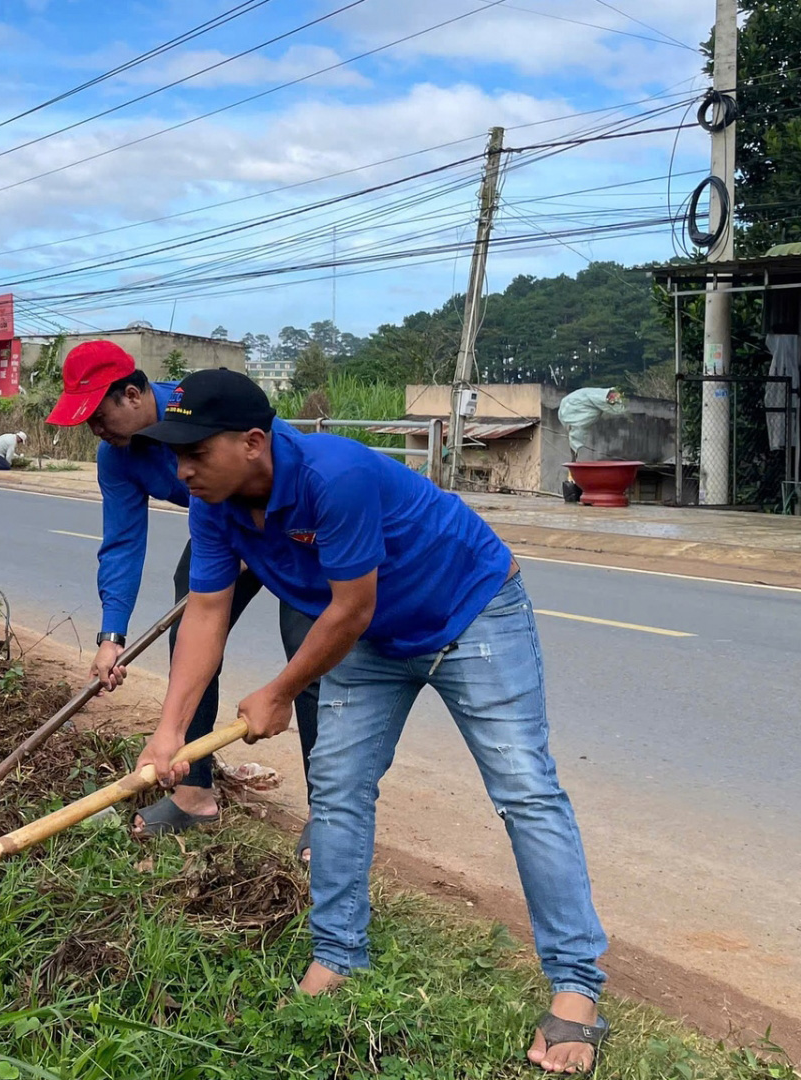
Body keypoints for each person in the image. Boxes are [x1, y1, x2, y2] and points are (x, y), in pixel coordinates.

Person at [132, 368, 609, 1075]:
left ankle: (576, 987)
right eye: (177, 454)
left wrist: (279, 691)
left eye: (197, 452)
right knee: (338, 788)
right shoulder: (216, 501)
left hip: (470, 613)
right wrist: (170, 730)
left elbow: (349, 608)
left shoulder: (336, 477)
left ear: (254, 442)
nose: (183, 470)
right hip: (373, 642)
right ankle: (338, 955)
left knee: (524, 791)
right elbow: (206, 612)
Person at [44, 340, 319, 839]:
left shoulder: (207, 406)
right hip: (219, 530)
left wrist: (257, 536)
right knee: (191, 633)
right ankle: (194, 794)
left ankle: (329, 819)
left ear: (131, 395)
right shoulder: (118, 457)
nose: (96, 431)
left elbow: (281, 462)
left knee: (307, 654)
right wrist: (112, 634)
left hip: (289, 526)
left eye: (98, 416)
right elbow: (123, 542)